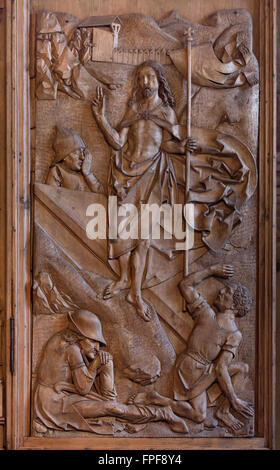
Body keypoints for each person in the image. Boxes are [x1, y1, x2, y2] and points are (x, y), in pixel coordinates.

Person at [92, 60, 197, 321]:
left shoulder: (166, 112)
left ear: (159, 80)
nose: (144, 83)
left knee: (143, 239)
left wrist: (183, 148)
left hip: (152, 177)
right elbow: (117, 143)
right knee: (121, 232)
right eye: (140, 78)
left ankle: (135, 294)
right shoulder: (134, 109)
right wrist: (100, 117)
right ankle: (124, 279)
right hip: (127, 174)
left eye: (149, 77)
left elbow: (166, 145)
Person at [130, 264, 254, 432]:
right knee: (200, 414)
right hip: (189, 368)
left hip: (204, 369)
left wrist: (233, 399)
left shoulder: (233, 334)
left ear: (233, 305)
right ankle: (159, 400)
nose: (221, 291)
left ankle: (222, 411)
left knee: (240, 370)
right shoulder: (206, 314)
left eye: (228, 292)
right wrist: (211, 270)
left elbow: (220, 367)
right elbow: (185, 285)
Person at [34, 309, 188, 435]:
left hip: (57, 396)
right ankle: (163, 414)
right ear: (80, 336)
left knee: (106, 364)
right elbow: (83, 388)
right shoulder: (72, 349)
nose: (97, 347)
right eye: (93, 341)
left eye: (98, 343)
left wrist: (102, 363)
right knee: (112, 408)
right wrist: (95, 365)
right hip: (55, 404)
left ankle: (130, 416)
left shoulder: (62, 339)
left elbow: (67, 381)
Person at [46, 126, 104, 193]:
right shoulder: (57, 171)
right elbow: (50, 197)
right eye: (76, 153)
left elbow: (104, 197)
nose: (82, 157)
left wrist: (87, 173)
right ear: (64, 156)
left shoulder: (84, 175)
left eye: (83, 153)